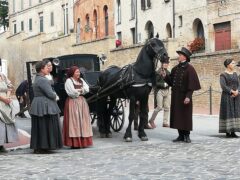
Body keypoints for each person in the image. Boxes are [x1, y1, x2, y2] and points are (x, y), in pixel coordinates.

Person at [162, 47, 201, 143]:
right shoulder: (175, 68)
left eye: (180, 55)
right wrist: (165, 76)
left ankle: (187, 135)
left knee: (185, 116)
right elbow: (171, 82)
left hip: (185, 96)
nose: (178, 56)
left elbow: (192, 85)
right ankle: (180, 135)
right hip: (176, 96)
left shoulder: (190, 69)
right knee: (177, 116)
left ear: (185, 57)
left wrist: (188, 96)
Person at [29, 60, 62, 154]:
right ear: (41, 69)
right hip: (44, 104)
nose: (48, 68)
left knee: (41, 126)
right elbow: (50, 94)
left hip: (39, 103)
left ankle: (41, 146)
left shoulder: (38, 78)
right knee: (45, 126)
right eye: (46, 67)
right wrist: (56, 96)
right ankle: (43, 146)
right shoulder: (43, 80)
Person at [63, 66, 93, 148]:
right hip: (73, 102)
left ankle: (84, 142)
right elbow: (72, 92)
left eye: (79, 72)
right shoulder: (69, 81)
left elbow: (87, 89)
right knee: (74, 121)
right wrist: (80, 91)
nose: (78, 73)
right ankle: (75, 143)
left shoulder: (81, 80)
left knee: (83, 121)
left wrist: (81, 90)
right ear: (72, 73)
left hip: (82, 102)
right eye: (76, 72)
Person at [219, 59, 240, 138]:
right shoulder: (223, 75)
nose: (234, 64)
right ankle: (228, 131)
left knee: (235, 112)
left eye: (234, 63)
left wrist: (237, 91)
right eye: (232, 63)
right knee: (228, 112)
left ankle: (233, 131)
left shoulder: (235, 74)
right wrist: (232, 91)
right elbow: (223, 86)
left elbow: (239, 83)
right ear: (228, 65)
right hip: (227, 96)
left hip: (236, 97)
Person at [149, 60, 171, 128]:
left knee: (167, 107)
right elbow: (155, 83)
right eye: (164, 63)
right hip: (160, 91)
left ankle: (165, 122)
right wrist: (163, 84)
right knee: (159, 107)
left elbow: (170, 81)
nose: (166, 64)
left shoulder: (168, 72)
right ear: (162, 64)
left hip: (167, 91)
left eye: (167, 63)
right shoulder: (158, 72)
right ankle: (151, 120)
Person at [0, 72, 19, 153]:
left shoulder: (2, 75)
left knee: (4, 124)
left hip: (5, 101)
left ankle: (1, 145)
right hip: (1, 100)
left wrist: (7, 97)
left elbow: (9, 86)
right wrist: (4, 99)